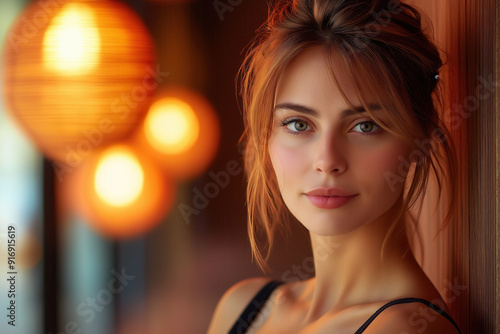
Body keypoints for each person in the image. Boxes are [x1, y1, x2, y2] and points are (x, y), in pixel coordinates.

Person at [208, 0, 461, 333]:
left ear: (421, 137)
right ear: (264, 138)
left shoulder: (405, 327)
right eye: (298, 124)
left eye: (365, 126)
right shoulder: (246, 308)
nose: (327, 161)